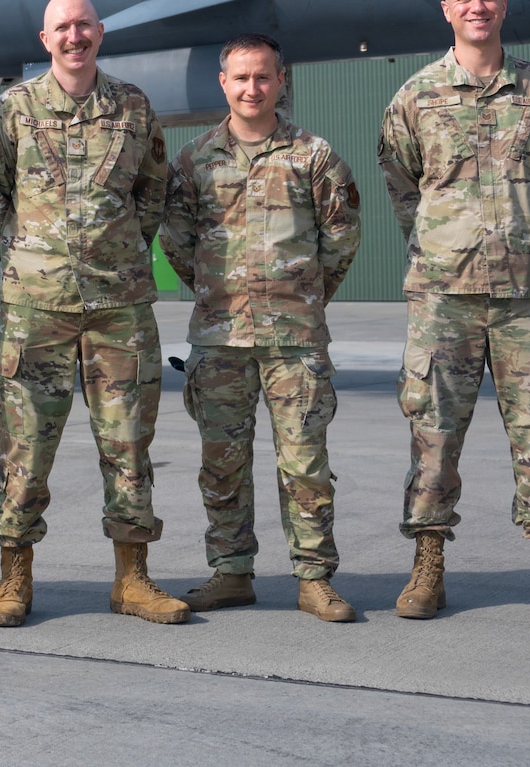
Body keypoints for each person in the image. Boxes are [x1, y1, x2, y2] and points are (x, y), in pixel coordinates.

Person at [376, 0, 530, 623]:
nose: (477, 6)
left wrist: (527, 236)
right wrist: (448, 243)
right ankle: (427, 565)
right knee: (433, 434)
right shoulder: (415, 96)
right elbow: (403, 185)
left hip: (528, 294)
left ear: (503, 6)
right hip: (445, 296)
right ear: (446, 10)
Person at [0, 0, 188, 628]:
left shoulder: (133, 107)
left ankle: (132, 579)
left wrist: (118, 253)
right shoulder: (14, 109)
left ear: (99, 33)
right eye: (62, 27)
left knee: (129, 445)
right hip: (36, 309)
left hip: (119, 306)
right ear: (46, 40)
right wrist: (25, 257)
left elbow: (153, 192)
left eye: (84, 25)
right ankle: (14, 578)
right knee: (24, 447)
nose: (75, 36)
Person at [161, 33, 361, 622]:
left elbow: (341, 239)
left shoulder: (313, 156)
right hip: (220, 338)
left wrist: (301, 297)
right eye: (242, 77)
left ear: (281, 81)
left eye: (263, 77)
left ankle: (314, 578)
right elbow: (177, 241)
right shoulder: (194, 161)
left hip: (294, 340)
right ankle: (231, 573)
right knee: (222, 463)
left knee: (305, 465)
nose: (253, 88)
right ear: (223, 83)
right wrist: (218, 294)